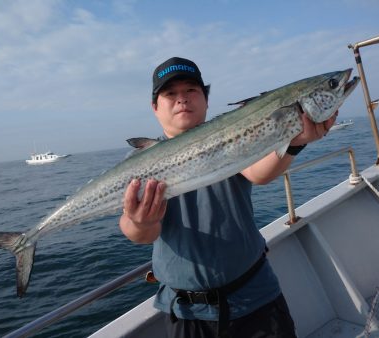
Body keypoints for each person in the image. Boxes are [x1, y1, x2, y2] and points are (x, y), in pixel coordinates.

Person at [119, 57, 337, 338]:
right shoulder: (139, 161)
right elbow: (138, 233)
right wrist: (139, 222)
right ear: (155, 107)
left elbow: (258, 173)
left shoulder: (234, 135)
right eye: (170, 94)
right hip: (186, 312)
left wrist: (296, 142)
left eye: (191, 91)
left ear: (206, 100)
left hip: (256, 297)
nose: (182, 100)